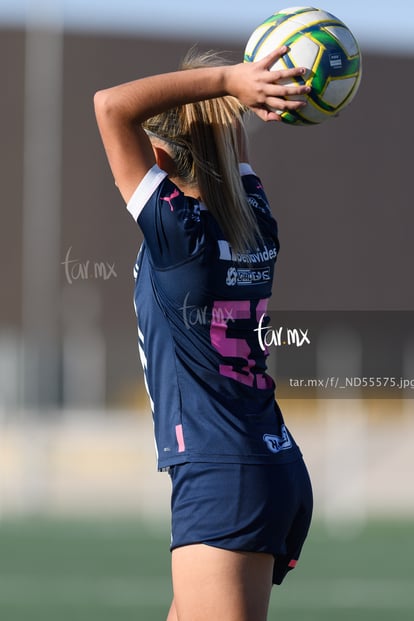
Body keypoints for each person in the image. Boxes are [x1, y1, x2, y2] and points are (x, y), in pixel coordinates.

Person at [94, 45, 313, 621]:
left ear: (160, 158)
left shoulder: (178, 235)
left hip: (223, 476)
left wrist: (226, 80)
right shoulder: (254, 218)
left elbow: (110, 105)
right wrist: (235, 88)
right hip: (262, 464)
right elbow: (214, 141)